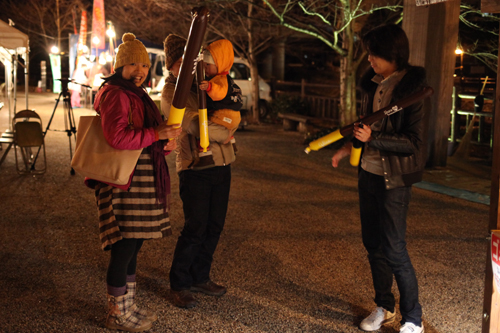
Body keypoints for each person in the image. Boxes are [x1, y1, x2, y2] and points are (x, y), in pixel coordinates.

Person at [331, 24, 428, 333]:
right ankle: (384, 306)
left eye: (374, 54)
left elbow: (413, 143)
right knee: (373, 244)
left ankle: (413, 318)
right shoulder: (373, 84)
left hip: (394, 180)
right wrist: (350, 146)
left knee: (394, 247)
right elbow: (365, 129)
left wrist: (373, 138)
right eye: (369, 53)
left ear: (393, 54)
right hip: (368, 174)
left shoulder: (413, 90)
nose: (369, 59)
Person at [88, 32, 181, 332]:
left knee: (134, 243)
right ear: (119, 67)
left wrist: (163, 142)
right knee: (125, 245)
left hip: (135, 178)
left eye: (144, 64)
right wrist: (157, 135)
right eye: (132, 64)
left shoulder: (133, 93)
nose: (140, 70)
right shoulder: (116, 93)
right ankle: (116, 312)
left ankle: (127, 306)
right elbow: (117, 137)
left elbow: (144, 133)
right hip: (122, 183)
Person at [161, 34, 237, 309]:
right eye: (179, 62)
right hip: (194, 166)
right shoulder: (172, 91)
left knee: (215, 225)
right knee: (196, 226)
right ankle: (179, 282)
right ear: (170, 66)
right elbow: (192, 123)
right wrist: (226, 131)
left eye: (190, 61)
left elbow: (232, 112)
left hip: (222, 163)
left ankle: (200, 275)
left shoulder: (207, 86)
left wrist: (227, 127)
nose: (185, 68)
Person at [198, 39, 243, 144]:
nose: (205, 69)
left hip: (224, 117)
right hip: (231, 117)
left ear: (219, 64)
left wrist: (210, 87)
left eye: (208, 65)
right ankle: (230, 139)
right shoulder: (225, 79)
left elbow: (220, 93)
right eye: (204, 66)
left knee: (202, 127)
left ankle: (206, 147)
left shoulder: (220, 80)